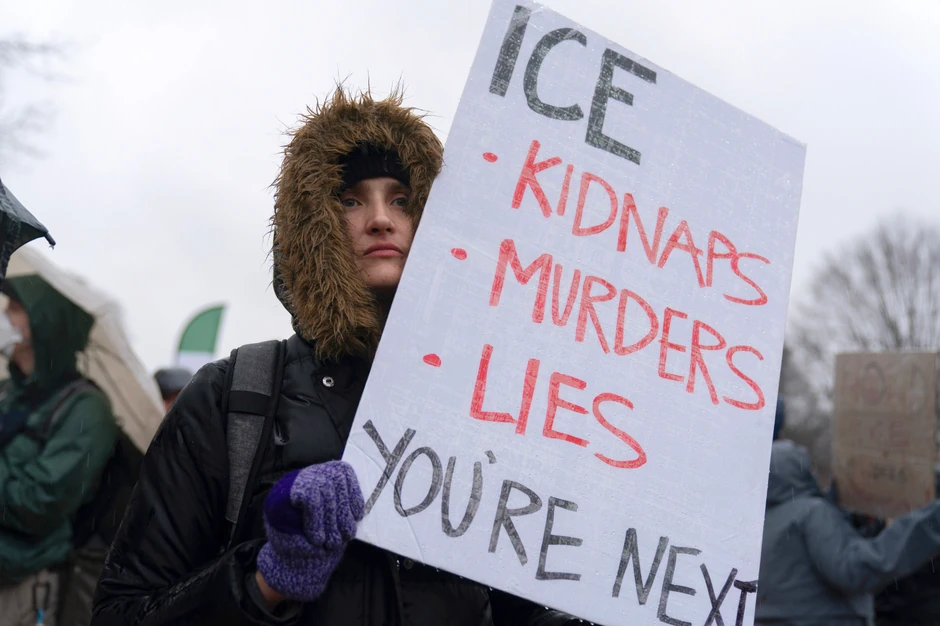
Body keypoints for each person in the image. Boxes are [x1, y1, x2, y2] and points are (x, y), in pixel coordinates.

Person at [92, 88, 587, 625]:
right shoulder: (232, 397)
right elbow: (121, 612)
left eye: (401, 199)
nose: (380, 219)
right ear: (310, 228)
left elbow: (520, 610)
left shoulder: (486, 402)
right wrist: (263, 580)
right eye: (351, 200)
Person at [0, 275, 118, 626]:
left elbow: (43, 501)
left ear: (43, 320)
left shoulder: (87, 408)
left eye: (16, 309)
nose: (5, 315)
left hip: (24, 583)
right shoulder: (8, 393)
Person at [755, 439, 940, 626]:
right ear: (798, 470)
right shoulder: (812, 512)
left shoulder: (760, 523)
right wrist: (930, 522)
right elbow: (854, 571)